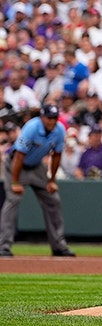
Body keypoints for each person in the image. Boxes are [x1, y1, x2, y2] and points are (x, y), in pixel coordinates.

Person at [0, 104, 76, 257]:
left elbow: (57, 155)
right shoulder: (32, 128)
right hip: (16, 165)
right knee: (12, 200)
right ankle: (4, 246)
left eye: (54, 118)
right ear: (42, 117)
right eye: (49, 118)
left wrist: (52, 180)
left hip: (36, 167)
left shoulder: (59, 130)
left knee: (53, 200)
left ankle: (59, 246)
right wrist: (15, 182)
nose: (52, 121)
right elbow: (19, 156)